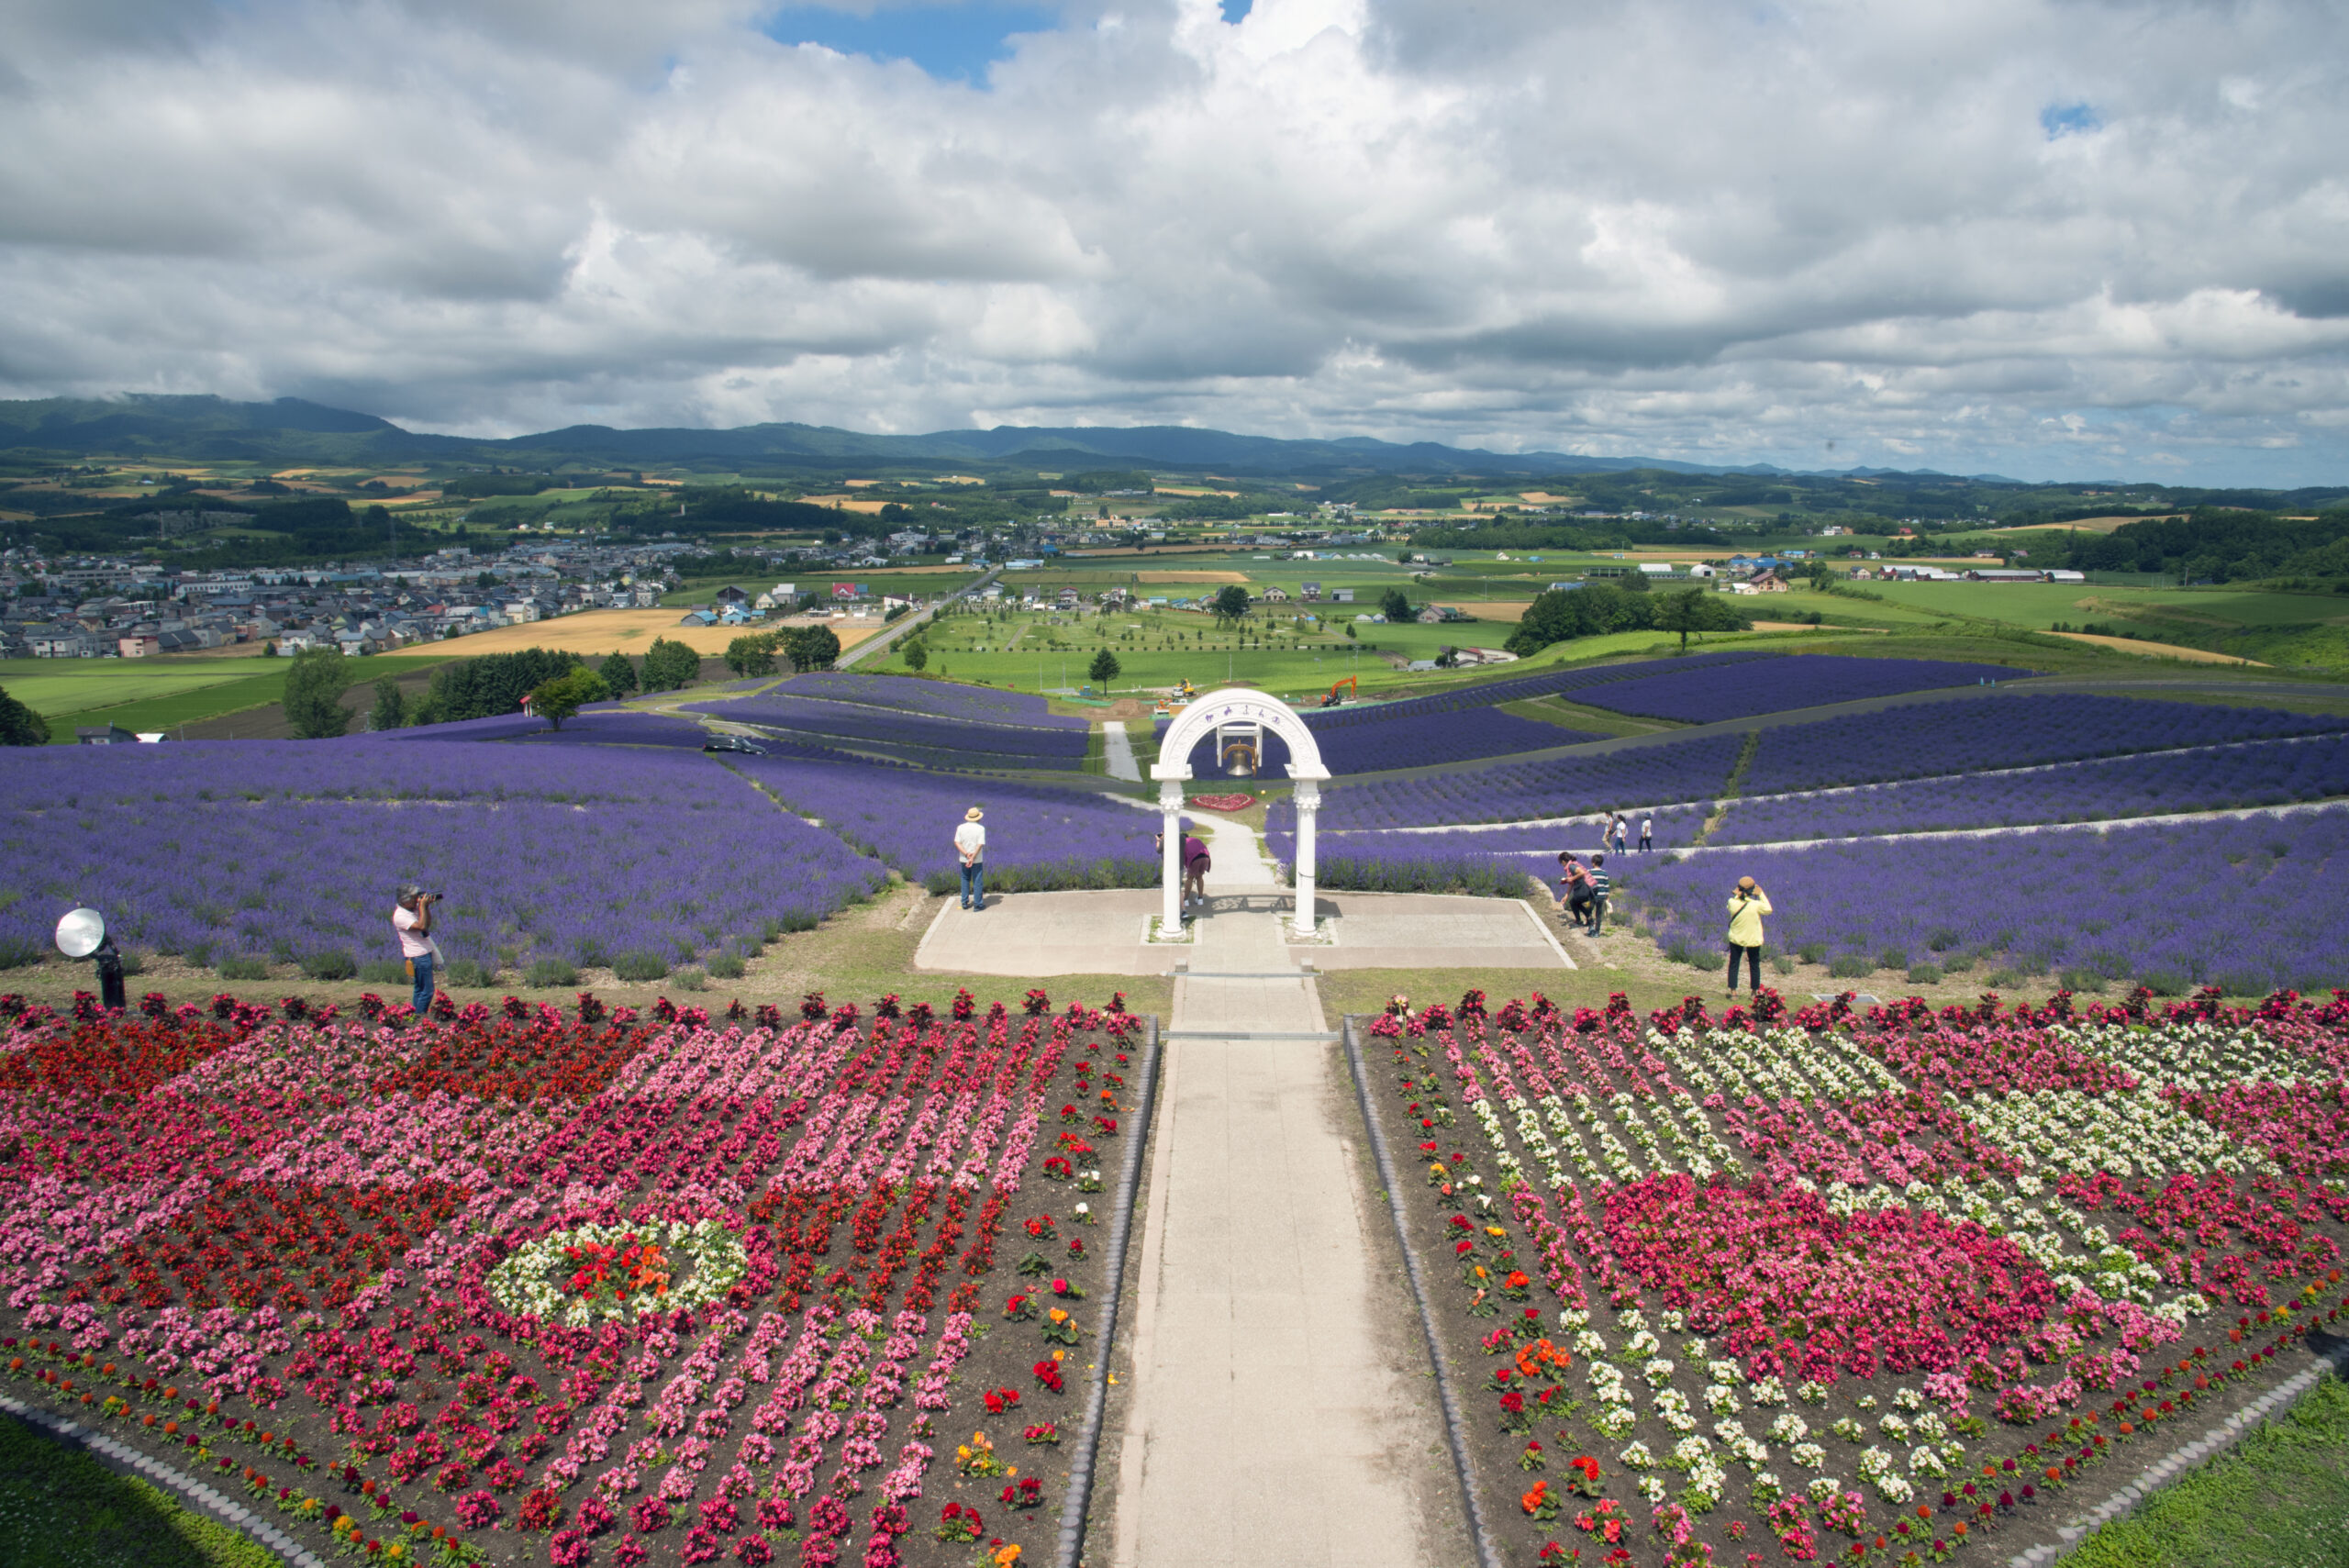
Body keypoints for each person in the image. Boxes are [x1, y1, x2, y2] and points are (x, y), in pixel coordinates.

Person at [391, 884, 440, 1015]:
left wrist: (426, 907)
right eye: (414, 898)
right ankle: (420, 1017)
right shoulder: (400, 916)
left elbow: (427, 923)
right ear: (405, 900)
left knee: (419, 988)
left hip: (424, 953)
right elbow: (422, 926)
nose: (417, 900)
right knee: (428, 990)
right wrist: (422, 906)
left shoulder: (412, 910)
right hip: (418, 956)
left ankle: (415, 1015)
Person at [1726, 875, 1772, 997]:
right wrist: (1761, 894)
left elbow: (1732, 904)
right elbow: (1768, 909)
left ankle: (1733, 992)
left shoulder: (1732, 902)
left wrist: (1739, 894)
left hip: (1736, 937)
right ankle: (1754, 992)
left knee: (1734, 963)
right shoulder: (1756, 905)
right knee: (1754, 964)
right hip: (1753, 939)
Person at [955, 806, 986, 911]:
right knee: (977, 880)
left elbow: (957, 842)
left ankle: (964, 903)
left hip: (964, 859)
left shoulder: (960, 827)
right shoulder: (980, 828)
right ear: (978, 818)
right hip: (976, 859)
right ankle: (977, 905)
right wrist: (973, 857)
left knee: (965, 878)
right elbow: (980, 844)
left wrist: (966, 854)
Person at [1555, 852, 1593, 931]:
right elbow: (1571, 884)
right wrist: (1566, 896)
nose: (1562, 865)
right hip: (1581, 888)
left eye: (1561, 863)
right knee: (1575, 902)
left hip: (1583, 888)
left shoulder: (1571, 866)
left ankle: (1582, 920)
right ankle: (1589, 919)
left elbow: (1582, 872)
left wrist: (1572, 878)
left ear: (1563, 861)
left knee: (1574, 902)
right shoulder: (1571, 866)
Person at [1586, 853, 1610, 937]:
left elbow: (1587, 885)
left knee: (1588, 912)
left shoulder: (1589, 872)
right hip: (1601, 897)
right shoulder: (1604, 873)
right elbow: (1606, 887)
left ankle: (1591, 927)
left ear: (1593, 863)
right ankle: (1597, 932)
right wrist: (1607, 898)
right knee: (1598, 914)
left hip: (1591, 897)